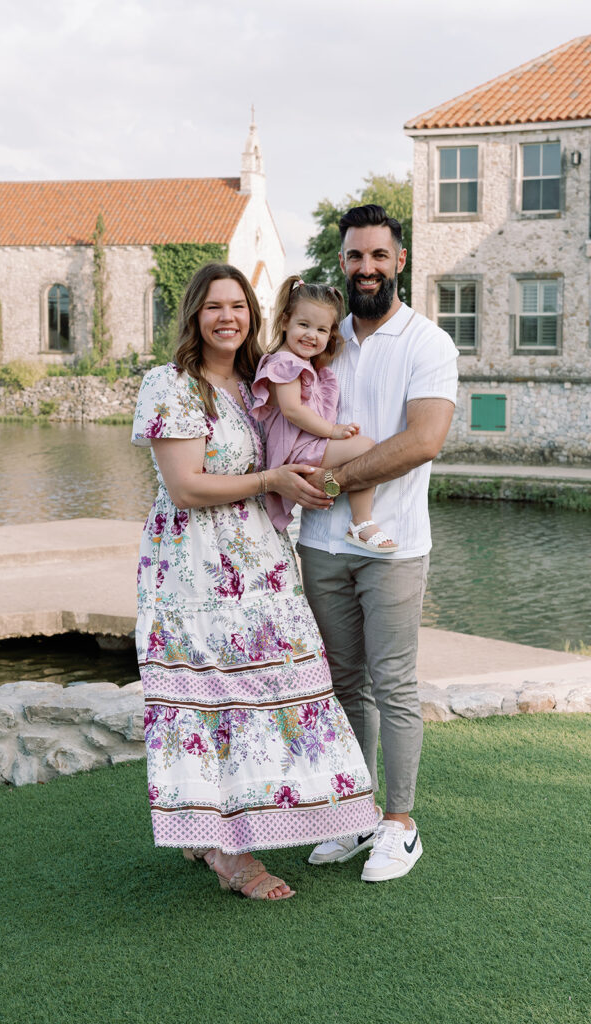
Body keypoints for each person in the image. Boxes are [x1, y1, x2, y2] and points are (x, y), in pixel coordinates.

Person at [131, 262, 379, 901]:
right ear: (193, 313)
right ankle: (230, 857)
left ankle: (210, 827)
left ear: (252, 315)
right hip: (195, 571)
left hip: (262, 567)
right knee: (212, 700)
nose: (227, 318)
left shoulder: (256, 384)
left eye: (238, 306)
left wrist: (318, 475)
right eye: (214, 306)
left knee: (274, 691)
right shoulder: (172, 385)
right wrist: (271, 482)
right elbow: (186, 486)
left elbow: (291, 452)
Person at [298, 205, 459, 882]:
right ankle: (352, 814)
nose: (367, 267)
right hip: (322, 541)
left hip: (392, 546)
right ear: (342, 264)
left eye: (379, 256)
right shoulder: (325, 339)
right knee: (343, 683)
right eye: (355, 256)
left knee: (392, 685)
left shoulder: (428, 343)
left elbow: (424, 441)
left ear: (400, 262)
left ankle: (400, 823)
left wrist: (334, 477)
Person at [250, 275, 396, 551]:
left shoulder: (300, 363)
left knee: (358, 455)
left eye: (321, 330)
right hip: (296, 449)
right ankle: (362, 521)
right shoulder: (285, 363)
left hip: (303, 446)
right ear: (284, 322)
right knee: (366, 449)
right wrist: (333, 431)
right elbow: (292, 410)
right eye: (303, 325)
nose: (311, 335)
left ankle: (328, 488)